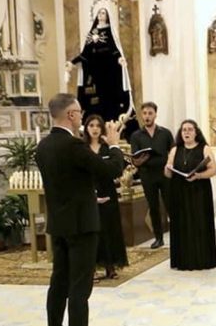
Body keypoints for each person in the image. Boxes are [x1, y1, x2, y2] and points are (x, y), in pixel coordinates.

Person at [36, 93, 125, 326]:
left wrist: (87, 197)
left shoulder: (43, 146)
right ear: (71, 114)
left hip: (59, 223)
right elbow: (110, 170)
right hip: (82, 225)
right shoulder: (74, 145)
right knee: (79, 287)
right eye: (80, 112)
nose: (82, 117)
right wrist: (114, 144)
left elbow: (63, 184)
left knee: (58, 282)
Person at [65, 6, 135, 136]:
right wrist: (72, 62)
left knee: (109, 101)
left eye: (103, 13)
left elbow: (114, 49)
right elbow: (85, 54)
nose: (101, 15)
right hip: (94, 72)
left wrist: (120, 58)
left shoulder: (109, 31)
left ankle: (111, 128)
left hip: (109, 72)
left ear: (107, 16)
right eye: (99, 13)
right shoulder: (92, 32)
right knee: (93, 102)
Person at [164, 120, 216, 270]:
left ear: (196, 132)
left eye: (190, 130)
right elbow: (167, 173)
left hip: (199, 191)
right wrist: (168, 168)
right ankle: (183, 259)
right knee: (182, 223)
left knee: (199, 222)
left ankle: (201, 259)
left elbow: (213, 170)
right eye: (184, 130)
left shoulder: (204, 148)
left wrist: (198, 176)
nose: (186, 132)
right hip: (180, 191)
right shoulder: (175, 150)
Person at [83, 114, 128, 280]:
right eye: (91, 125)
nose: (95, 129)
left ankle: (111, 266)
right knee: (93, 232)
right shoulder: (82, 148)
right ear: (86, 129)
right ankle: (93, 267)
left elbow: (116, 168)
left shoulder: (107, 147)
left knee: (110, 229)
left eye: (97, 126)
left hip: (107, 192)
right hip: (89, 192)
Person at [129, 102, 174, 249]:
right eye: (145, 114)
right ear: (141, 116)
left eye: (150, 113)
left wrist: (170, 163)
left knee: (170, 205)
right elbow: (135, 159)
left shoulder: (165, 133)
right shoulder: (136, 136)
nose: (147, 116)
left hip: (164, 174)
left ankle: (178, 235)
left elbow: (173, 151)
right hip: (147, 175)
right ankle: (158, 238)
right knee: (153, 207)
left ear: (155, 114)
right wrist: (141, 159)